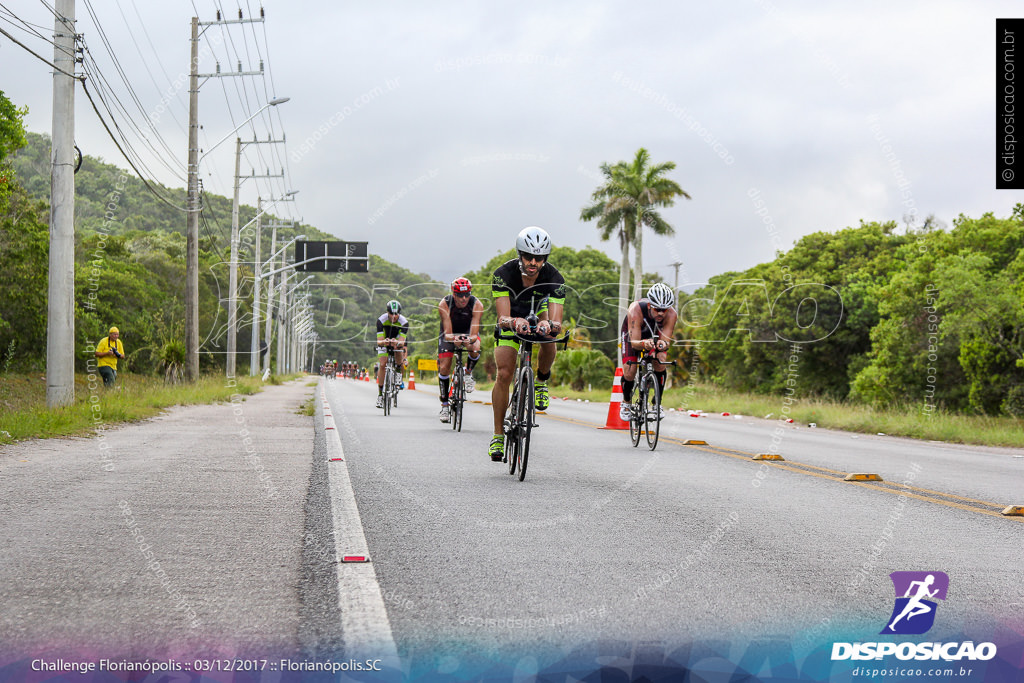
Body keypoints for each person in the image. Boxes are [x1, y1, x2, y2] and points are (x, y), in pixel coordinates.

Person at [488, 226, 565, 461]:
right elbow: (502, 319)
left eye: (539, 258)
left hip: (537, 311)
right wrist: (514, 321)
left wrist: (549, 325)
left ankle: (541, 382)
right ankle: (498, 435)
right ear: (520, 254)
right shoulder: (503, 274)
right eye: (528, 256)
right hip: (512, 316)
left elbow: (557, 321)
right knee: (504, 374)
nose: (533, 262)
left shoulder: (554, 278)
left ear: (545, 258)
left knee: (549, 336)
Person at [620, 282, 678, 421]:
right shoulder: (636, 309)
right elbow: (634, 343)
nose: (660, 313)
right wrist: (644, 343)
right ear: (649, 305)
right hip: (633, 336)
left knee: (661, 361)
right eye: (657, 309)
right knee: (630, 370)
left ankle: (656, 404)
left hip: (655, 335)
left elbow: (665, 340)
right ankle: (626, 402)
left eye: (664, 310)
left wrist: (661, 345)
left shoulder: (671, 315)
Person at [437, 277, 484, 423]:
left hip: (468, 332)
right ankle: (444, 405)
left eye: (467, 295)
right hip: (449, 333)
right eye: (459, 295)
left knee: (475, 348)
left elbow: (475, 334)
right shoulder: (444, 304)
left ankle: (468, 373)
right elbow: (448, 332)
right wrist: (454, 339)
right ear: (453, 293)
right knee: (444, 367)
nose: (463, 299)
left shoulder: (477, 304)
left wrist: (468, 339)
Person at [375, 299, 409, 409]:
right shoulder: (381, 320)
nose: (394, 317)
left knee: (398, 347)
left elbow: (402, 341)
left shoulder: (404, 322)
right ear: (387, 312)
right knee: (382, 364)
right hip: (385, 340)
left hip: (396, 340)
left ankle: (398, 370)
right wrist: (384, 342)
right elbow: (379, 341)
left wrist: (397, 342)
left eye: (396, 314)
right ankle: (380, 395)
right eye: (391, 314)